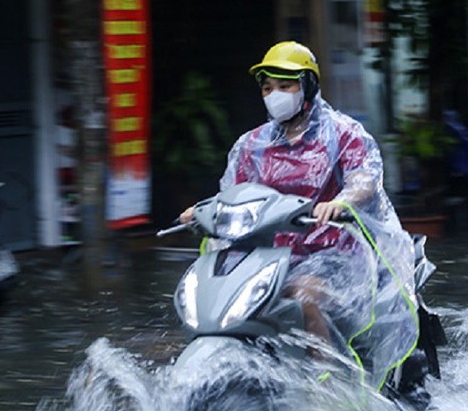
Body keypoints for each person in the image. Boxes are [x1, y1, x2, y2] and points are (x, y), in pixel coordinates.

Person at [179, 40, 418, 390]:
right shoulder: (253, 145)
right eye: (267, 88)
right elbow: (233, 193)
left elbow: (364, 177)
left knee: (304, 295)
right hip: (268, 258)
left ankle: (327, 386)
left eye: (285, 86)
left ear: (307, 86)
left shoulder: (343, 134)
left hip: (333, 257)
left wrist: (342, 201)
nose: (275, 94)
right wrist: (203, 211)